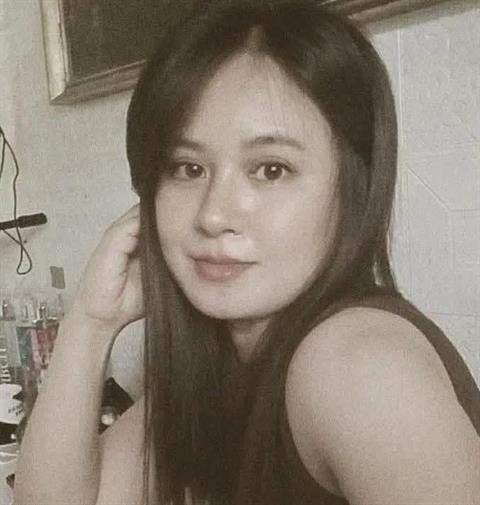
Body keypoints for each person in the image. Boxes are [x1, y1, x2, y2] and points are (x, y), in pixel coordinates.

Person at [14, 1, 480, 504]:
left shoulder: (357, 366)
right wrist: (91, 321)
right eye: (188, 168)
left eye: (271, 170)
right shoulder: (221, 358)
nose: (214, 215)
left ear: (354, 187)